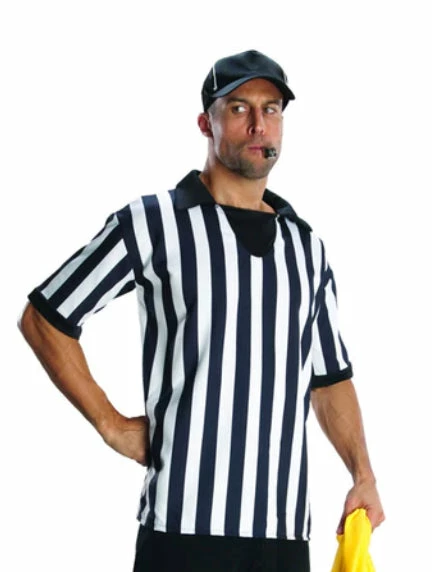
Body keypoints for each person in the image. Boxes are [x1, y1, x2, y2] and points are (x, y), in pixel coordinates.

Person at [19, 49, 384, 572]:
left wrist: (362, 474)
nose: (258, 124)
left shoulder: (307, 248)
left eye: (271, 109)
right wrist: (111, 424)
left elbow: (328, 379)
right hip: (184, 531)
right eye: (238, 108)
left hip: (283, 537)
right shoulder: (154, 222)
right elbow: (46, 316)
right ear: (205, 123)